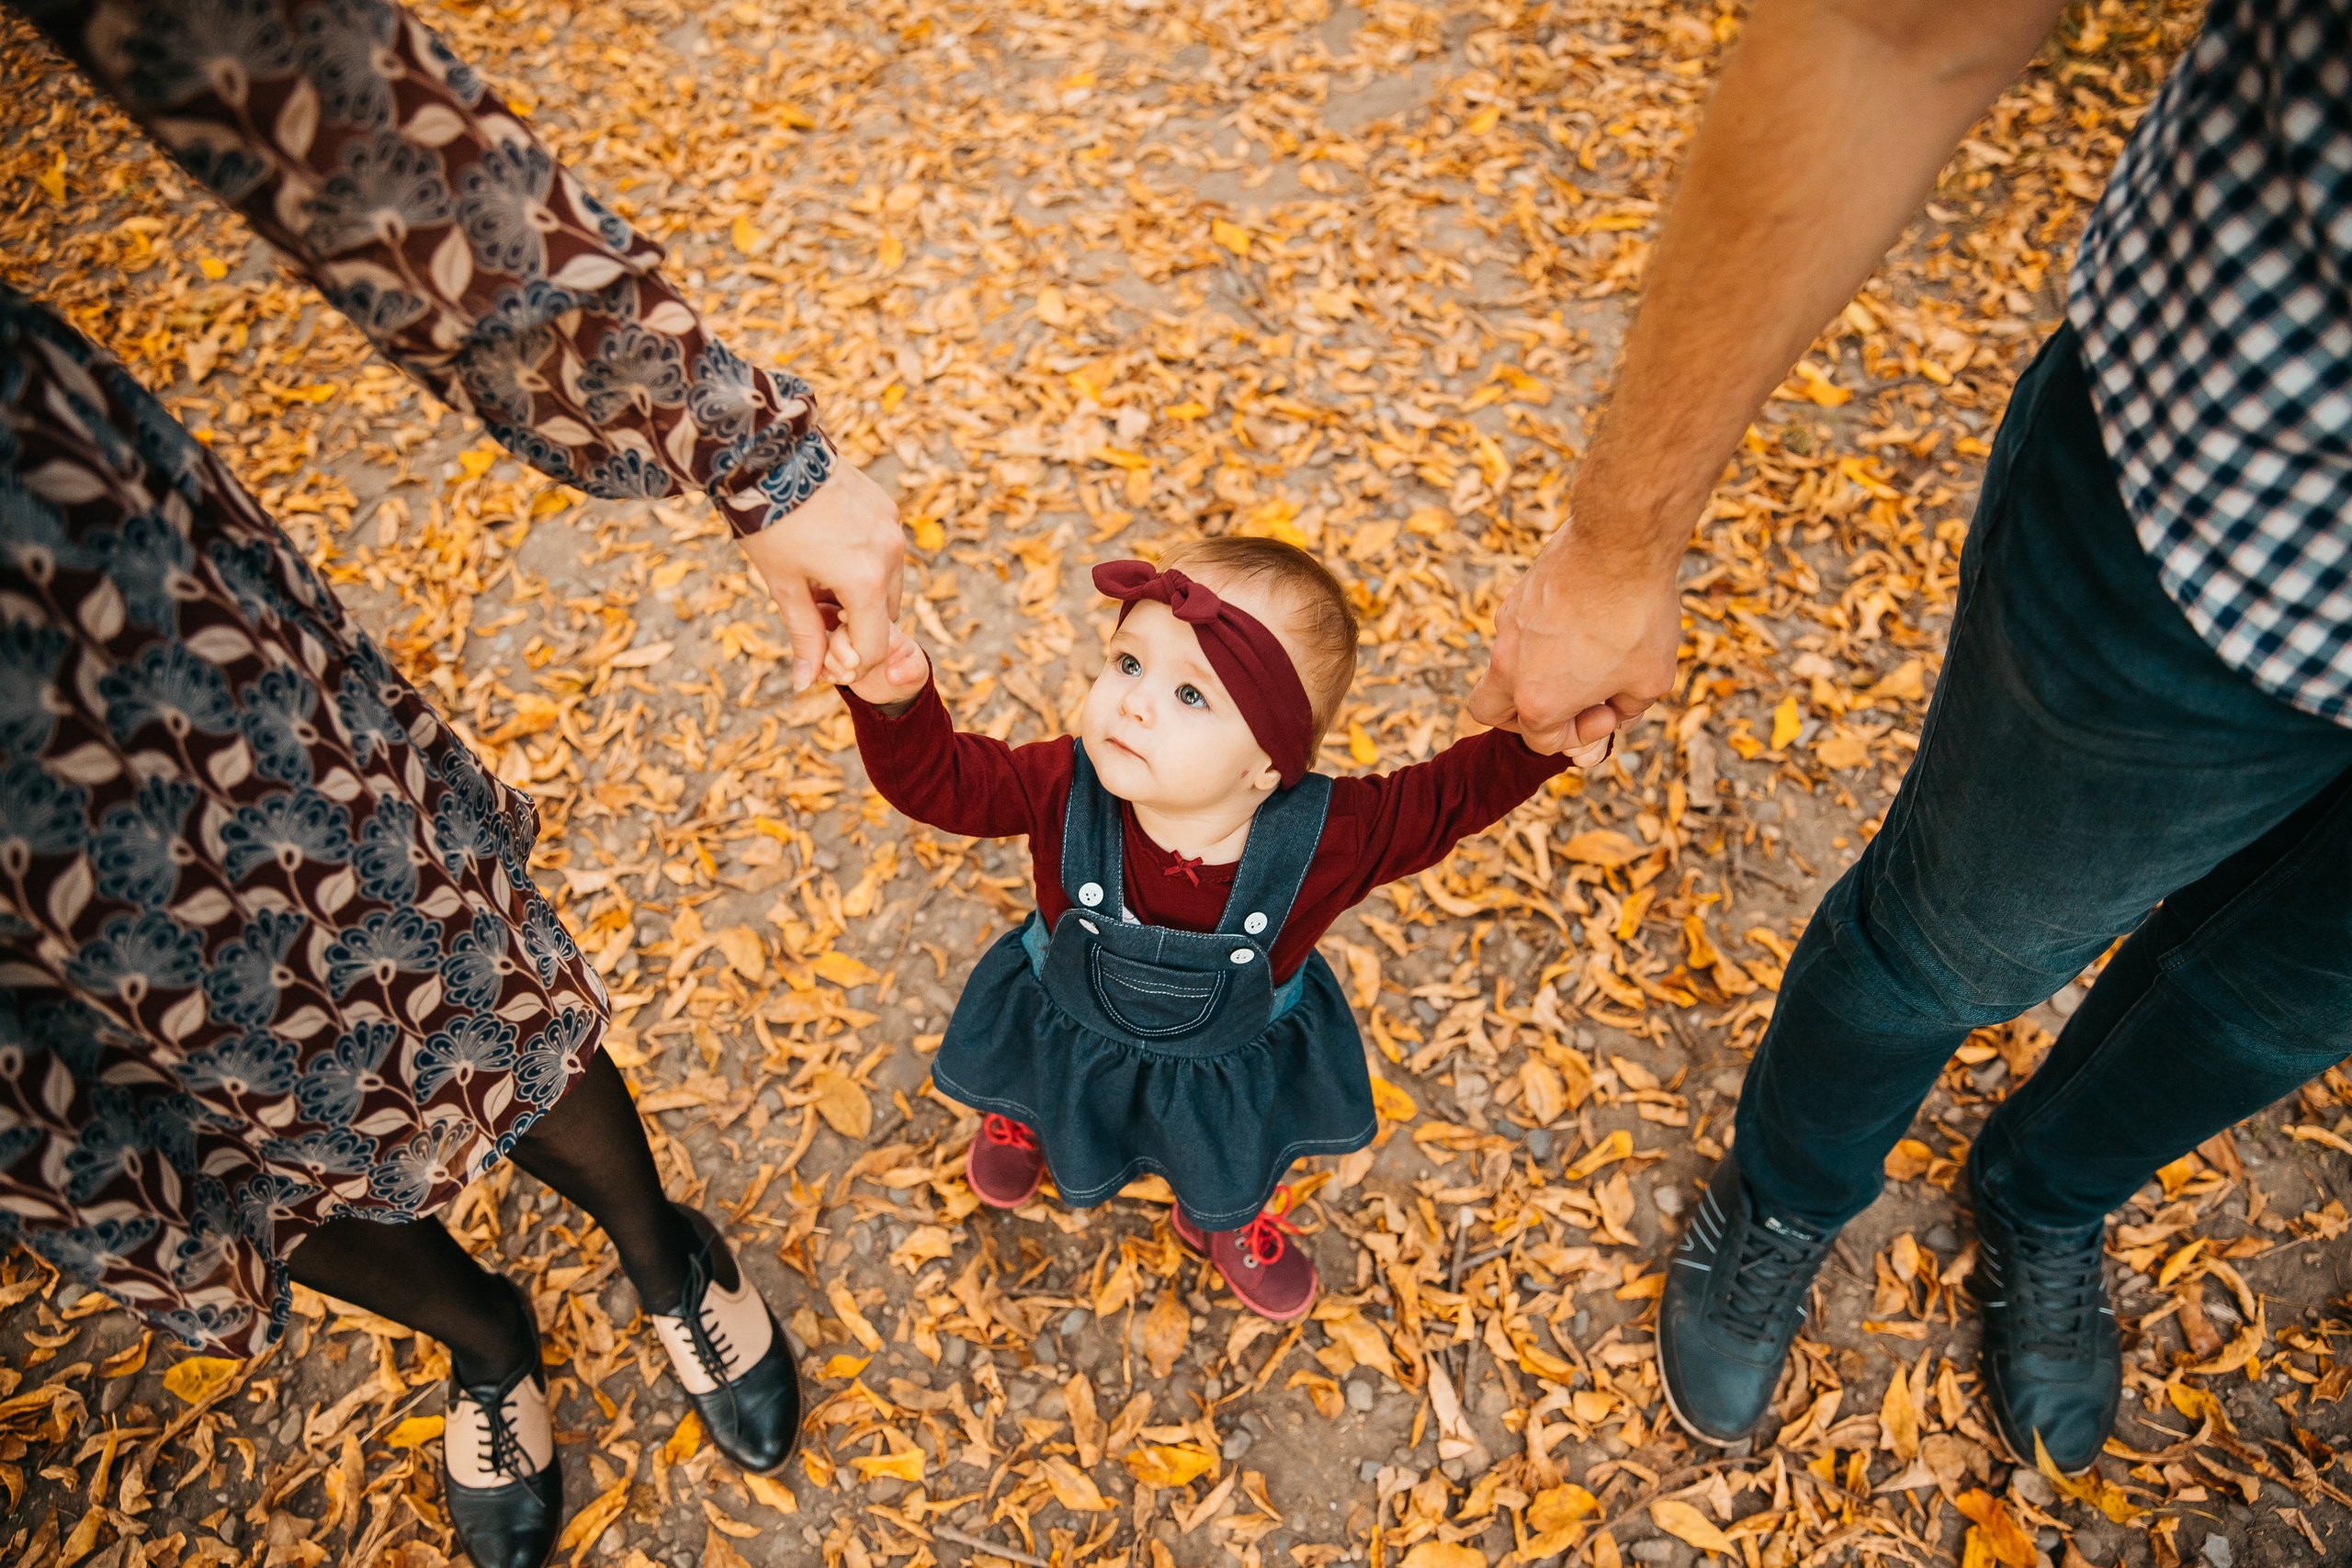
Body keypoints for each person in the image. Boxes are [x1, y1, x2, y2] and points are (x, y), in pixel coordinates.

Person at [0, 0, 904, 1562]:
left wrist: (735, 442)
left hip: (87, 675)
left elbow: (279, 57)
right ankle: (485, 1342)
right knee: (163, 1137)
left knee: (412, 969)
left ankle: (663, 1254)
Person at [1466, 0, 2352, 1472]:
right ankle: (1789, 1191)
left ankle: (2049, 1190)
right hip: (2219, 533)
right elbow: (1896, 29)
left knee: (2271, 1013)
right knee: (1956, 941)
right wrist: (1618, 547)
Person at [828, 538, 1608, 1320]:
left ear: (1266, 766)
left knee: (1228, 1150)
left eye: (1191, 695)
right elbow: (943, 783)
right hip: (1067, 1025)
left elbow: (1445, 798)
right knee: (1043, 1074)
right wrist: (894, 702)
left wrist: (1539, 744)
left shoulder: (1331, 837)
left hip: (1219, 1063)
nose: (1134, 702)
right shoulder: (1063, 784)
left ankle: (1223, 1215)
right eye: (1129, 663)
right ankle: (1026, 1117)